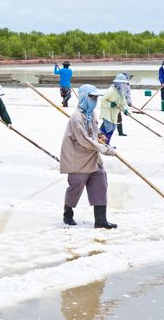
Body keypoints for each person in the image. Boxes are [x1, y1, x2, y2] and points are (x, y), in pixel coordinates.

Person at [60, 84, 117, 229]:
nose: (95, 101)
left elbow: (94, 132)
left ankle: (101, 220)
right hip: (77, 158)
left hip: (93, 157)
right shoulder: (76, 117)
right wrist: (104, 149)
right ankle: (68, 214)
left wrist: (100, 136)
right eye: (92, 97)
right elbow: (84, 139)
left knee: (101, 183)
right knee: (76, 187)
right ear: (84, 97)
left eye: (96, 98)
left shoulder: (92, 114)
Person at [99, 74, 130, 144]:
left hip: (114, 113)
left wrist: (125, 110)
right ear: (117, 83)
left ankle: (106, 142)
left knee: (113, 128)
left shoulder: (121, 92)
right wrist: (110, 104)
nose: (123, 85)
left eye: (124, 83)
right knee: (108, 127)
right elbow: (102, 99)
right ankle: (102, 142)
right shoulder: (111, 90)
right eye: (122, 83)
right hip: (106, 112)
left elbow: (123, 103)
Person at [117, 72, 133, 136]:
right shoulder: (118, 85)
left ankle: (120, 132)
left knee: (119, 118)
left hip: (121, 102)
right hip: (116, 103)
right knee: (115, 118)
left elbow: (128, 94)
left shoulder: (127, 85)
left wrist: (129, 102)